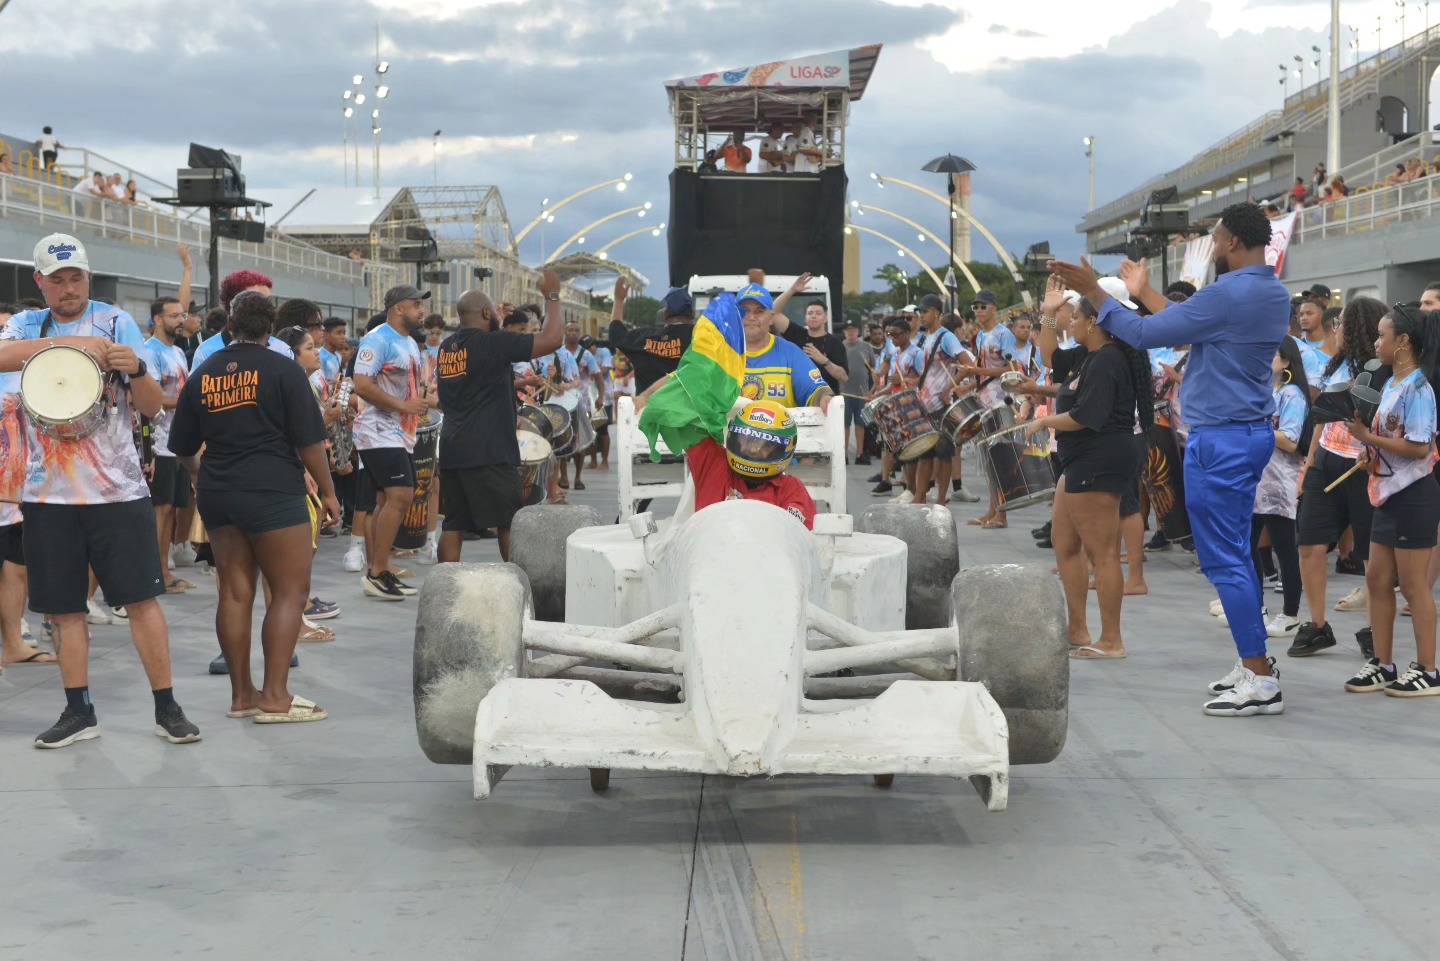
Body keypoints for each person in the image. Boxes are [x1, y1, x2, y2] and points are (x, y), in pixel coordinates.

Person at [1050, 202, 1290, 716]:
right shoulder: (1270, 290)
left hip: (1221, 439)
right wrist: (1141, 294)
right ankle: (1253, 662)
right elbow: (1186, 325)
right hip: (1246, 434)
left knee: (1226, 561)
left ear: (1230, 242)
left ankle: (1259, 676)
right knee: (1237, 556)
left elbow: (1141, 334)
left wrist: (1096, 291)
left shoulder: (1228, 293)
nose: (1213, 245)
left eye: (1215, 238)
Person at [0, 233, 200, 748]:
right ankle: (78, 710)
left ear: (88, 277)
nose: (69, 288)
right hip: (48, 497)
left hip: (117, 492)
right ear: (40, 281)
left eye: (77, 278)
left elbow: (152, 407)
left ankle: (167, 707)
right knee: (64, 610)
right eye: (57, 280)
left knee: (141, 600)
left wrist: (137, 368)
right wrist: (69, 346)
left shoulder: (115, 321)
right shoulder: (27, 324)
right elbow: (3, 356)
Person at [170, 294, 338, 723]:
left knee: (233, 592)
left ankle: (242, 695)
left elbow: (183, 447)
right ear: (271, 327)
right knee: (290, 591)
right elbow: (309, 441)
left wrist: (200, 475)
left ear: (231, 324)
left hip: (218, 491)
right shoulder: (283, 370)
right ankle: (276, 697)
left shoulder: (204, 372)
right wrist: (329, 492)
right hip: (273, 490)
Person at [1026, 281, 1151, 660]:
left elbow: (1086, 416)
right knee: (1065, 544)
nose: (1072, 322)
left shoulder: (1108, 360)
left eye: (1076, 317)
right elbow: (1050, 358)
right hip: (1080, 459)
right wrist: (1048, 314)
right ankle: (1077, 629)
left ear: (1095, 322)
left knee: (1103, 553)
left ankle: (1111, 640)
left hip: (1100, 458)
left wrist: (1043, 422)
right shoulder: (1088, 354)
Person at [1337, 305, 1440, 696]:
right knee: (1377, 579)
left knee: (1413, 586)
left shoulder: (1419, 387)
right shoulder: (1394, 384)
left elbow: (1420, 448)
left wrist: (1368, 439)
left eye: (1383, 336)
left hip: (1414, 496)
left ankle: (1428, 670)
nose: (1376, 343)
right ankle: (1382, 664)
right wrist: (1371, 455)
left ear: (1403, 342)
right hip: (1387, 495)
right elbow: (1394, 442)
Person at [436, 271, 564, 562]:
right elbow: (552, 339)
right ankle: (517, 580)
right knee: (509, 521)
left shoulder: (447, 348)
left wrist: (497, 322)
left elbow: (483, 365)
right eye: (492, 311)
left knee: (453, 525)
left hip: (454, 450)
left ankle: (444, 583)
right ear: (485, 313)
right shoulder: (494, 344)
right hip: (489, 450)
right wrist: (552, 297)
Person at [1292, 298, 1386, 657]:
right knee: (1309, 544)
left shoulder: (1384, 371)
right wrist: (1310, 464)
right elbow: (1323, 418)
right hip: (1327, 462)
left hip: (1365, 468)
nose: (1336, 329)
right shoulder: (1336, 364)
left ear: (1359, 328)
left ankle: (1376, 630)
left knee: (1370, 556)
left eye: (1342, 323)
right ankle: (1317, 625)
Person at [352, 285, 434, 600]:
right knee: (401, 496)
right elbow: (361, 385)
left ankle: (379, 569)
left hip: (401, 433)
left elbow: (411, 390)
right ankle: (377, 573)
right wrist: (404, 406)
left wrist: (427, 402)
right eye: (416, 304)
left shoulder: (410, 342)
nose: (421, 310)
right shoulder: (377, 339)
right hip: (377, 430)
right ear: (398, 308)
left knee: (385, 501)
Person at [1249, 339, 1311, 641]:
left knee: (1285, 549)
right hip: (1255, 481)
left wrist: (1254, 428)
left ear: (1286, 362)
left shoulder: (1292, 395)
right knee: (1247, 547)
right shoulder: (1262, 391)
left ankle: (1290, 614)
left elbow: (1290, 440)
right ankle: (1256, 607)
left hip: (1279, 483)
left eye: (1270, 353)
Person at [143, 295, 196, 594]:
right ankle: (155, 576)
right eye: (174, 315)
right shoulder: (149, 352)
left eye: (182, 315)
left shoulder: (177, 352)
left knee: (172, 509)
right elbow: (150, 398)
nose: (180, 320)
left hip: (177, 443)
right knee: (160, 511)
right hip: (158, 443)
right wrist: (189, 404)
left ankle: (164, 572)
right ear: (158, 319)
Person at [959, 289, 1017, 525]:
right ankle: (992, 510)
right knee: (988, 458)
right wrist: (969, 385)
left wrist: (978, 371)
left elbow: (1012, 369)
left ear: (994, 308)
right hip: (984, 400)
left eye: (983, 306)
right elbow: (983, 372)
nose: (979, 311)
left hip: (1001, 401)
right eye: (976, 307)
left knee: (1000, 456)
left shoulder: (1004, 334)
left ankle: (1002, 514)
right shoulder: (982, 336)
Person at [912, 294, 970, 509]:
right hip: (925, 404)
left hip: (942, 406)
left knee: (944, 454)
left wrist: (949, 388)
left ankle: (940, 499)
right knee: (924, 454)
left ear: (936, 313)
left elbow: (967, 364)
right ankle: (920, 497)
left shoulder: (947, 337)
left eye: (925, 311)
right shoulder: (926, 337)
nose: (921, 316)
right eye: (920, 312)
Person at [738, 284, 833, 412]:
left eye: (759, 311)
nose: (751, 317)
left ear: (771, 318)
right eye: (744, 311)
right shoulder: (719, 354)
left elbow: (816, 389)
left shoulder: (791, 354)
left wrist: (823, 397)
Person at [609, 277, 693, 392]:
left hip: (649, 403)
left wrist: (618, 300)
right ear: (693, 314)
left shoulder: (644, 338)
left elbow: (616, 334)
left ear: (665, 314)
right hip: (690, 403)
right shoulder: (700, 338)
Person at [841, 320, 875, 464]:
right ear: (844, 332)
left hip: (862, 393)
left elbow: (873, 368)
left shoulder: (866, 346)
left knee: (861, 425)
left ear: (858, 331)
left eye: (853, 329)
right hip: (844, 393)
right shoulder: (840, 346)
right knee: (844, 425)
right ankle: (844, 455)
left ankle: (860, 454)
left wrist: (873, 390)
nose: (850, 332)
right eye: (848, 329)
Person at [319, 318, 347, 384]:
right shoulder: (319, 356)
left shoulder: (338, 356)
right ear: (326, 335)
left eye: (344, 333)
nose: (343, 337)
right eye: (338, 333)